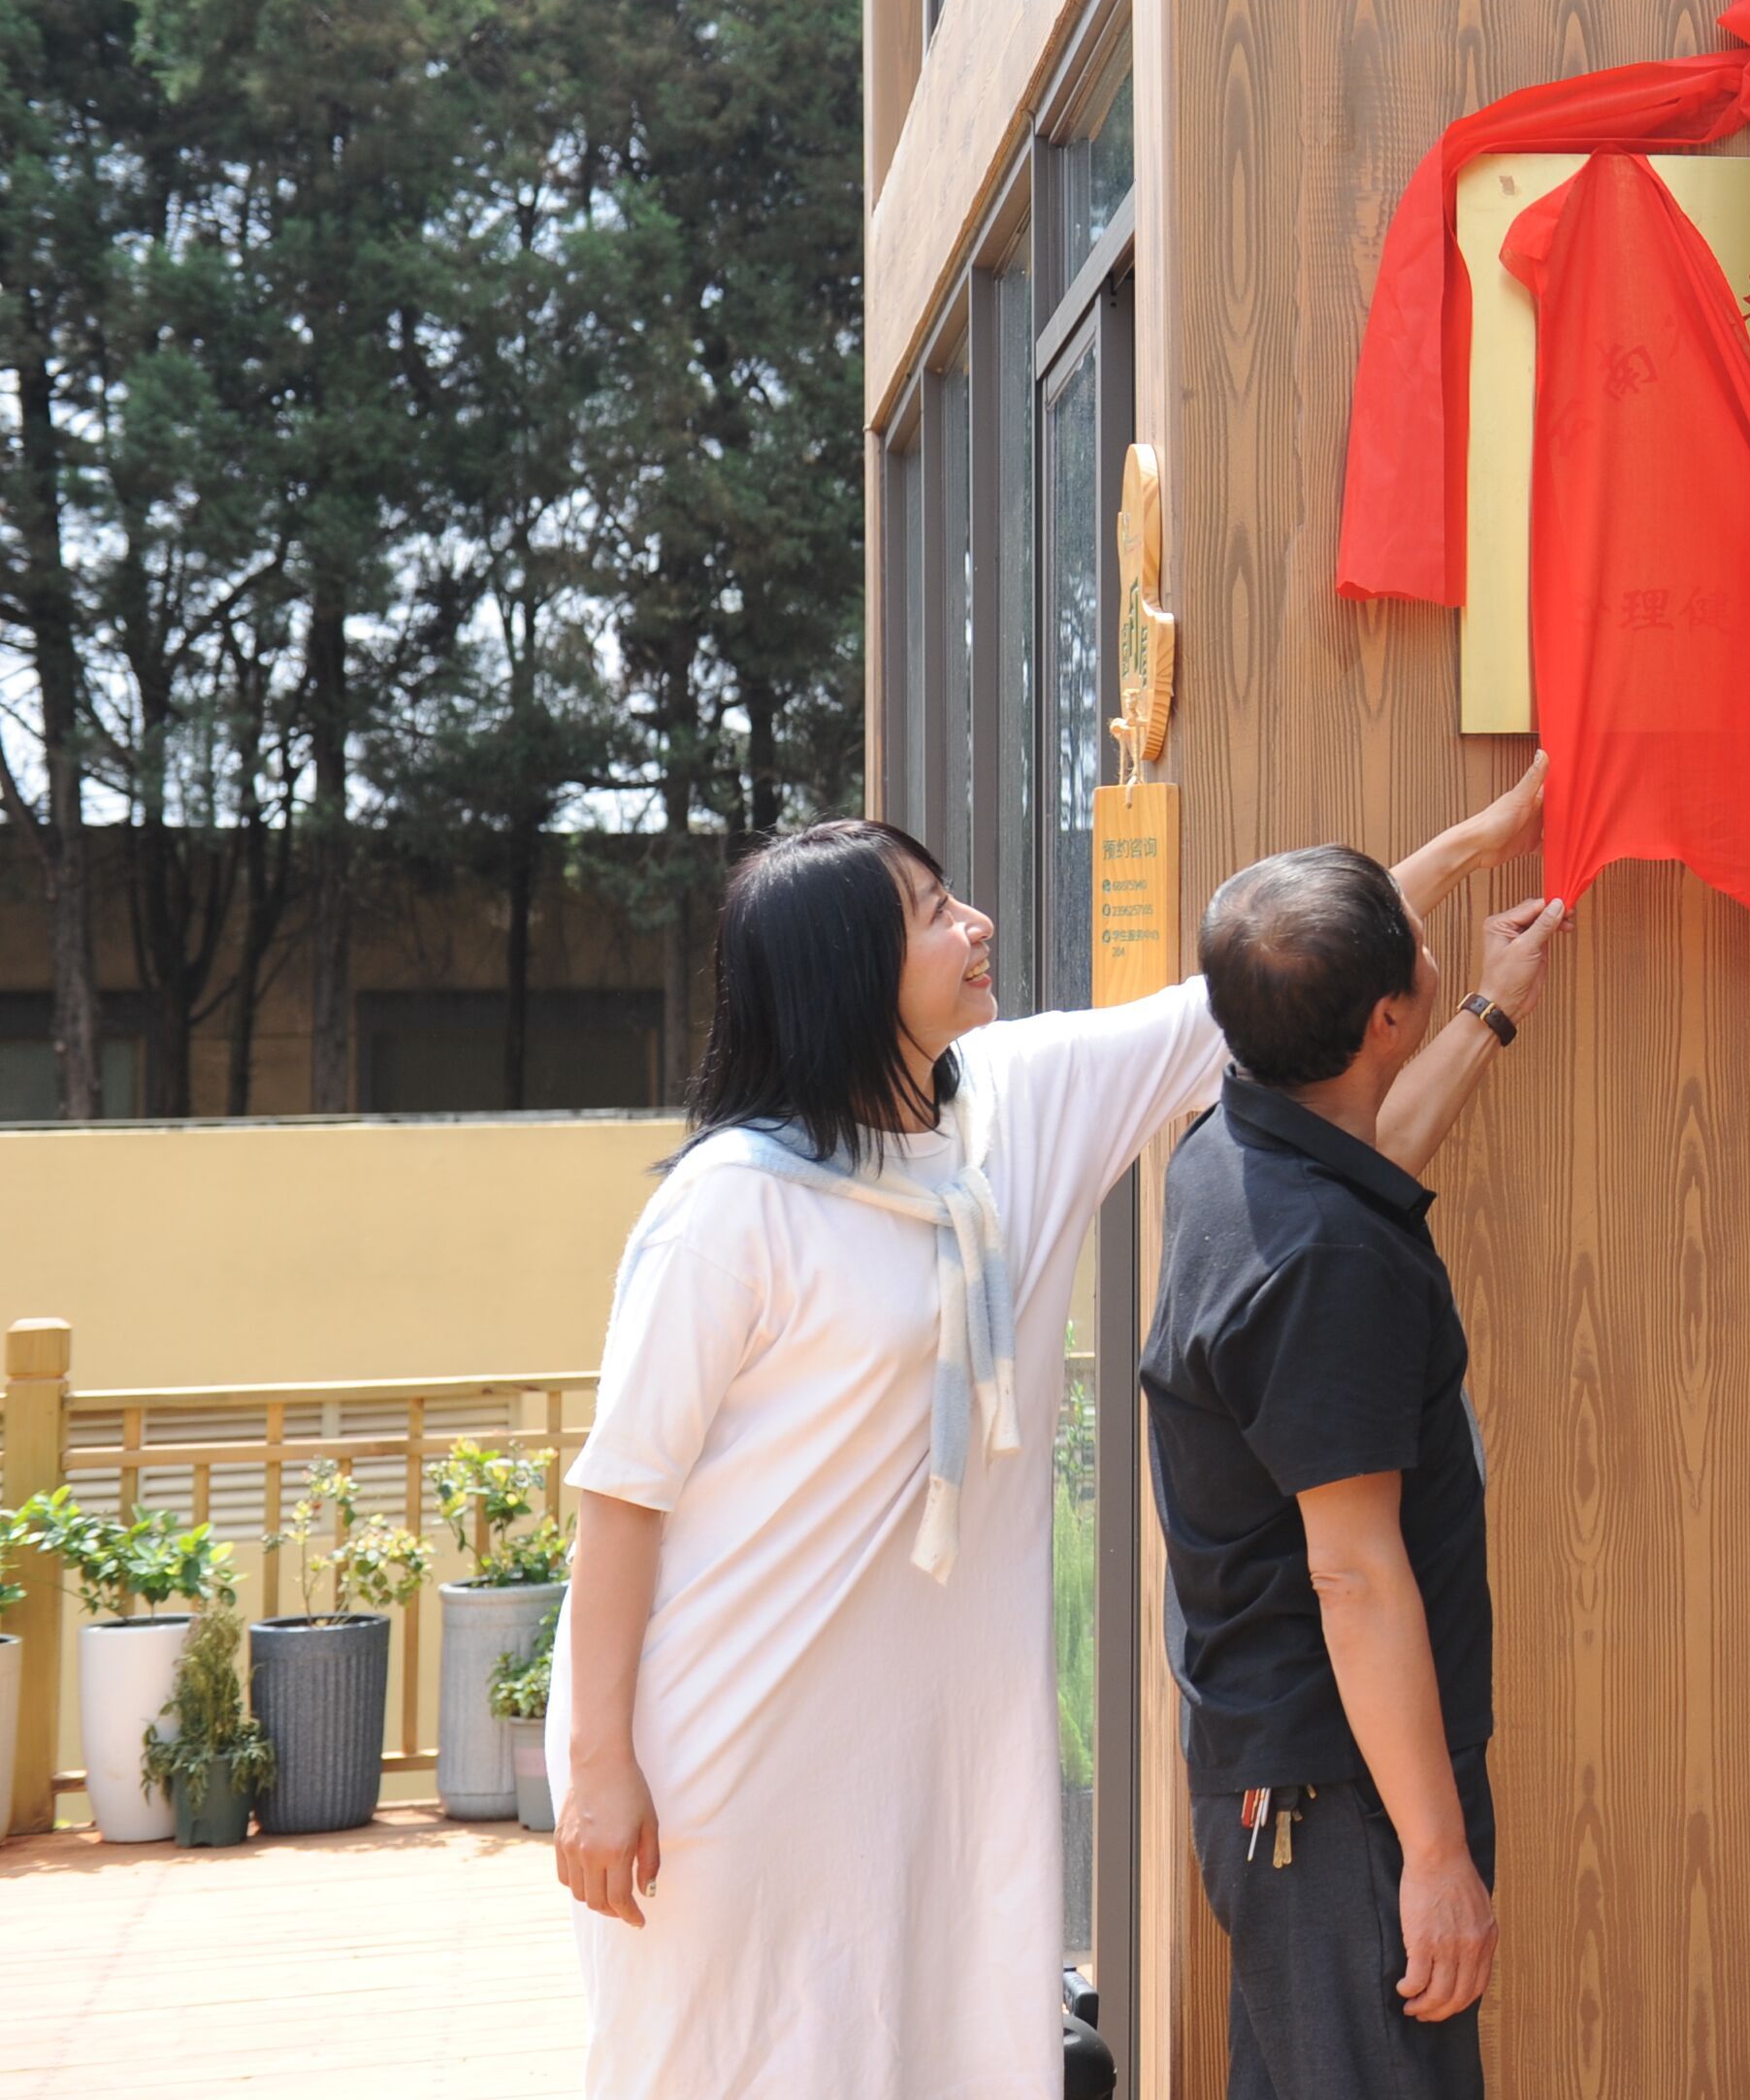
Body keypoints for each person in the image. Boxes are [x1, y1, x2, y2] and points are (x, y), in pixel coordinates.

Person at [550, 763, 1545, 2100]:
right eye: (932, 914)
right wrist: (601, 1768)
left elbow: (1283, 978)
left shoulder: (1013, 1102)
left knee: (933, 2043)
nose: (976, 927)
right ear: (849, 976)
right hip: (732, 1739)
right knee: (740, 2057)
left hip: (932, 1741)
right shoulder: (732, 1207)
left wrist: (1475, 845)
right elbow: (624, 1496)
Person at [1145, 845, 1573, 2100]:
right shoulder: (1325, 1264)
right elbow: (1354, 1575)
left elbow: (1370, 1167)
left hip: (1287, 1779)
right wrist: (1433, 1859)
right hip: (1338, 1801)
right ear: (1388, 1017)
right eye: (1411, 938)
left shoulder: (1236, 1146)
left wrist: (1489, 1007)